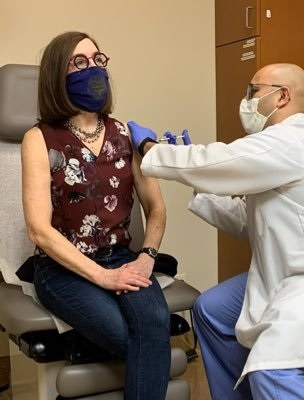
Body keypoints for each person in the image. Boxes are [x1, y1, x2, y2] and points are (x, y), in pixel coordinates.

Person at [127, 63, 304, 399]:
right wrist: (205, 189)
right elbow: (249, 221)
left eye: (254, 91)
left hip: (298, 278)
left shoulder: (291, 140)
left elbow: (214, 160)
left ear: (282, 96)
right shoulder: (276, 148)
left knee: (272, 368)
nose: (247, 100)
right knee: (211, 309)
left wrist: (150, 148)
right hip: (280, 271)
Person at [21, 31, 171, 399]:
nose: (94, 70)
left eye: (98, 60)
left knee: (153, 326)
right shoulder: (38, 139)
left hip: (124, 258)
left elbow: (157, 207)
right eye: (80, 63)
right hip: (62, 269)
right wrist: (104, 278)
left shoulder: (125, 134)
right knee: (137, 338)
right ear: (58, 75)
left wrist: (147, 257)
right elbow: (39, 231)